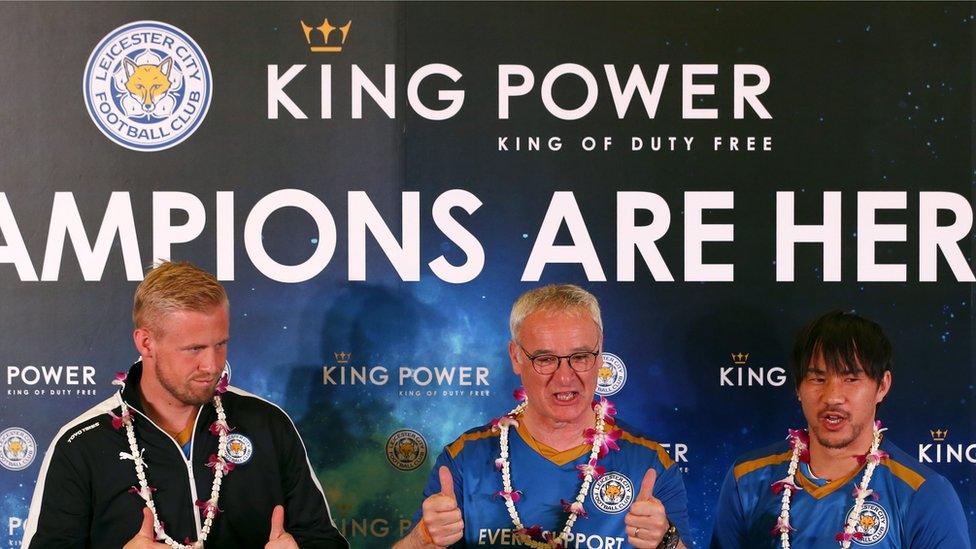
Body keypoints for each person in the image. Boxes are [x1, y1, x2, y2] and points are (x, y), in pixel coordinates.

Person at [22, 261, 348, 548]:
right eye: (194, 349)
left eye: (220, 345)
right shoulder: (81, 444)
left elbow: (324, 539)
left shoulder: (265, 423)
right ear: (146, 342)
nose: (212, 364)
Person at [395, 284, 689, 549]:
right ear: (516, 358)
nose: (565, 377)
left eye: (580, 357)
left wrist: (667, 541)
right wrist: (423, 538)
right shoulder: (466, 458)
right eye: (545, 359)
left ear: (600, 356)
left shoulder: (649, 463)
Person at [711, 310, 970, 548]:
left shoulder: (924, 494)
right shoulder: (747, 479)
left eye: (850, 379)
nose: (833, 396)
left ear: (882, 386)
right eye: (818, 379)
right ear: (798, 387)